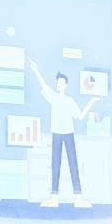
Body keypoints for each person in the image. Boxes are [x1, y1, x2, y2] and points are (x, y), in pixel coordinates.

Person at [28, 61, 97, 208]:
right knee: (55, 165)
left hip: (68, 134)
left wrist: (91, 102)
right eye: (58, 82)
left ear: (66, 85)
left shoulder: (70, 101)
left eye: (62, 82)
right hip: (56, 134)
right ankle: (54, 198)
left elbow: (80, 116)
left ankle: (78, 198)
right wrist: (35, 70)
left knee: (73, 164)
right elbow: (43, 85)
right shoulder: (53, 97)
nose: (59, 84)